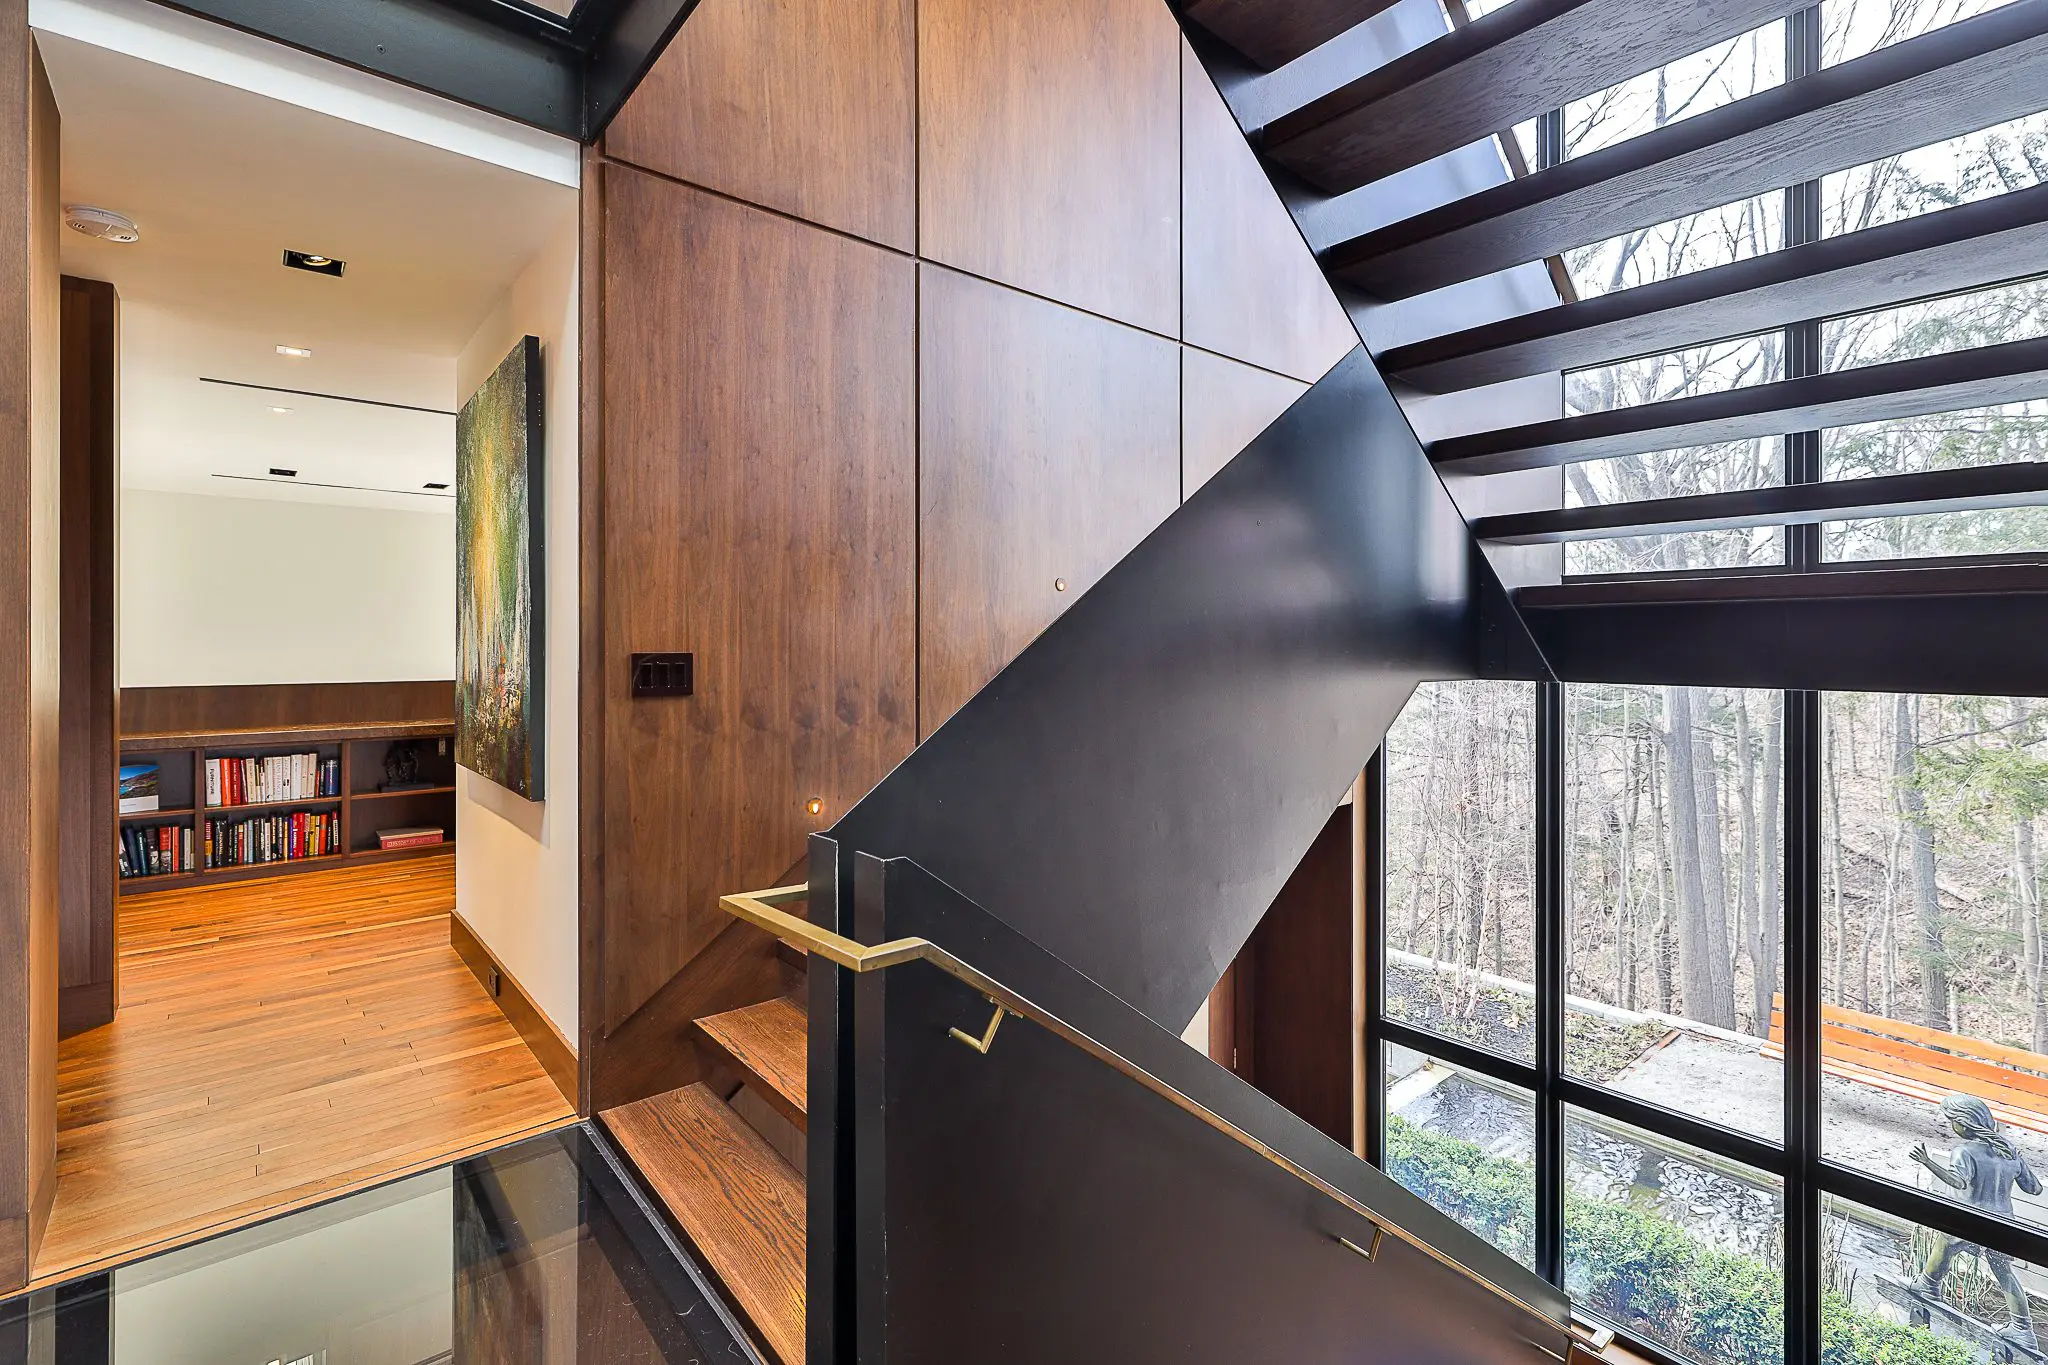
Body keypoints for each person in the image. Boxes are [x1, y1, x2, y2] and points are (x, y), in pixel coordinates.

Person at [1911, 1093, 2042, 1350]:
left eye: (1953, 1121)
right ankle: (2022, 1329)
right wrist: (2017, 1159)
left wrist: (1928, 1163)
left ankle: (1928, 1285)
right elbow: (2034, 1188)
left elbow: (1958, 1182)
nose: (1952, 1126)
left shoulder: (1964, 1151)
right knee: (2004, 1272)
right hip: (2004, 1223)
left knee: (1944, 1243)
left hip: (1971, 1220)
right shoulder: (2008, 1152)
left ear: (1965, 1123)